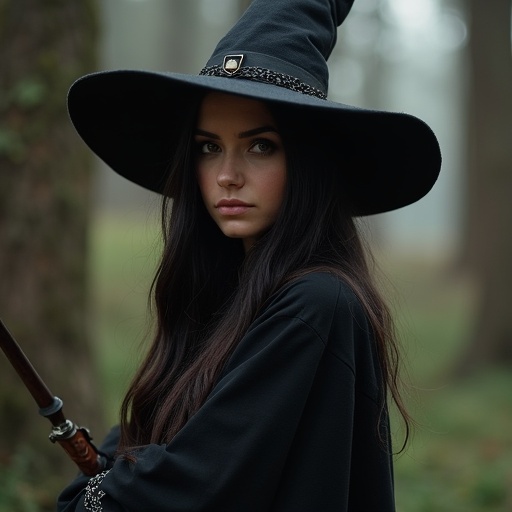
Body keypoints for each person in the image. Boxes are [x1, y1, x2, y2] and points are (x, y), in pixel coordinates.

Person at [58, 0, 441, 510]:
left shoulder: (317, 303)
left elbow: (202, 483)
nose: (226, 175)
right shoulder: (229, 291)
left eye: (260, 146)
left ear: (306, 160)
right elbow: (149, 442)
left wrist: (93, 499)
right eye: (208, 147)